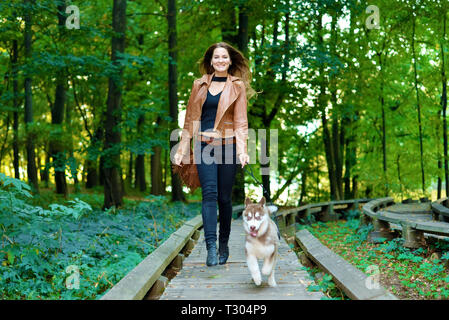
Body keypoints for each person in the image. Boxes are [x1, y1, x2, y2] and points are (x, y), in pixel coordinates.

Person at [173, 42, 254, 266]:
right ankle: (210, 247)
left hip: (228, 146)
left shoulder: (236, 86)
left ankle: (224, 244)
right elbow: (190, 118)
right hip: (203, 145)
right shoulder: (198, 85)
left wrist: (243, 150)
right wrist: (182, 148)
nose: (220, 60)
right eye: (216, 57)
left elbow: (240, 121)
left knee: (224, 198)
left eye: (224, 57)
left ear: (229, 61)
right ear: (211, 61)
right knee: (208, 194)